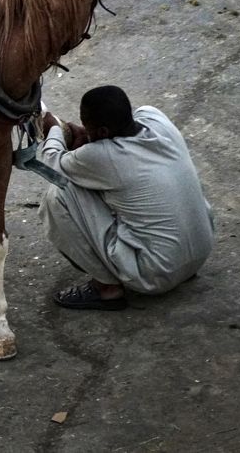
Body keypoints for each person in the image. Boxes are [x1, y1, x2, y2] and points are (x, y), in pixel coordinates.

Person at [37, 85, 214, 310]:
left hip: (157, 274)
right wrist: (89, 139)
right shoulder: (155, 118)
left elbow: (52, 164)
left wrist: (54, 129)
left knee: (59, 194)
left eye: (88, 126)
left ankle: (106, 288)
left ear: (102, 132)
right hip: (200, 252)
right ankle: (178, 260)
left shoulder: (104, 157)